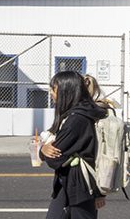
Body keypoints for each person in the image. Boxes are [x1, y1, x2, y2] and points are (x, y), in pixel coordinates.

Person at [38, 71, 108, 219]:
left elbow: (54, 159)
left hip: (80, 188)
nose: (50, 93)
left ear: (66, 91)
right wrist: (44, 149)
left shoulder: (76, 120)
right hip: (70, 186)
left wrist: (43, 150)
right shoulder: (83, 113)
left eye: (53, 89)